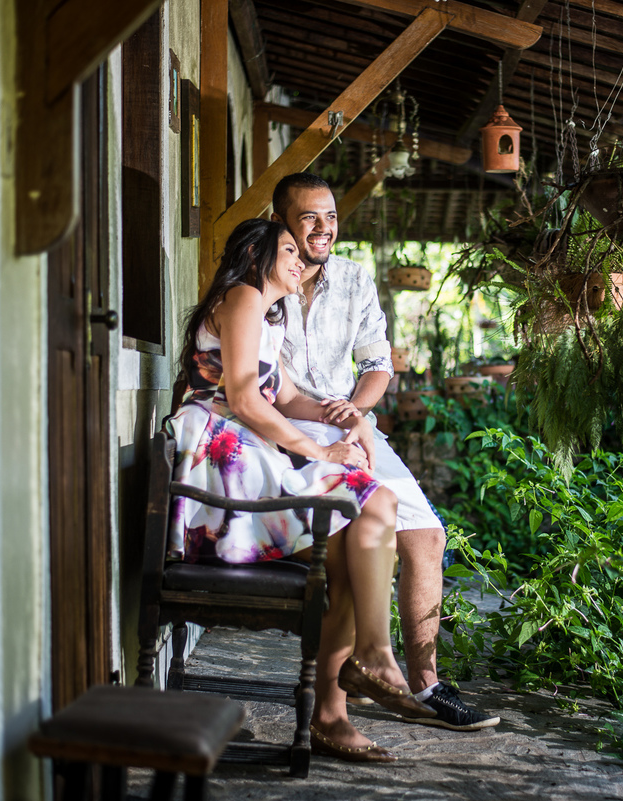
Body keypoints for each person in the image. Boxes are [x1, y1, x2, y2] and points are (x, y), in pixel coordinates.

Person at [165, 218, 436, 763]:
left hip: (251, 460)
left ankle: (372, 659)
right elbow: (243, 398)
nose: (301, 260)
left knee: (375, 506)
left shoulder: (264, 317)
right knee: (359, 550)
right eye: (288, 250)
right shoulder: (241, 296)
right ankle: (337, 708)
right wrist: (319, 452)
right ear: (256, 254)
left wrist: (346, 415)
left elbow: (287, 398)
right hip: (224, 469)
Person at [270, 172, 500, 731]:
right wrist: (331, 420)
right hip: (287, 431)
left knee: (426, 535)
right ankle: (352, 678)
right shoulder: (263, 279)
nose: (324, 228)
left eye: (329, 216)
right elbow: (264, 386)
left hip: (355, 425)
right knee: (351, 539)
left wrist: (355, 411)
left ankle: (427, 686)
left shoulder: (353, 279)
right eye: (309, 218)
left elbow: (378, 366)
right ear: (283, 223)